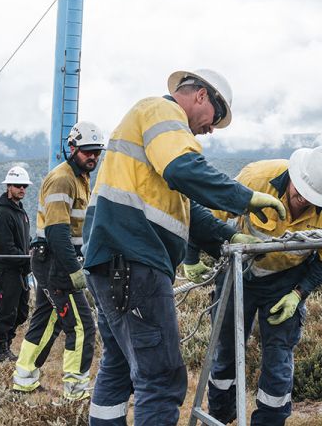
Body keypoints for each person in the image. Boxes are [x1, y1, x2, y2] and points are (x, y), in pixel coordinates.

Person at [83, 68, 287, 426]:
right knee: (161, 380)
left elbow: (183, 207)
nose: (211, 128)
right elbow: (184, 168)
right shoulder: (161, 113)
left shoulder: (146, 130)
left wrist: (226, 236)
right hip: (136, 261)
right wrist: (245, 198)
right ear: (201, 96)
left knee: (117, 369)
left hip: (110, 262)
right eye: (216, 118)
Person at [183, 145, 322, 426]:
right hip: (238, 273)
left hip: (285, 282)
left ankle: (270, 420)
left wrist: (299, 294)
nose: (303, 203)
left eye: (313, 200)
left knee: (279, 357)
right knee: (226, 349)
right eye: (300, 194)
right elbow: (207, 217)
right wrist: (190, 256)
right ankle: (221, 413)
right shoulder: (255, 178)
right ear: (294, 175)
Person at [12, 122, 103, 400]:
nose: (94, 157)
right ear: (72, 148)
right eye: (88, 151)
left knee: (46, 320)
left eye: (97, 152)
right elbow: (57, 231)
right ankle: (75, 390)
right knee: (81, 326)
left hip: (52, 260)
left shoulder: (80, 177)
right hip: (56, 262)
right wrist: (75, 270)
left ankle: (24, 379)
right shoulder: (63, 178)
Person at [0, 166, 34, 363]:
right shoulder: (3, 213)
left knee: (22, 311)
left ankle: (7, 342)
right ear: (9, 186)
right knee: (6, 309)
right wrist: (26, 258)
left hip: (21, 269)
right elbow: (4, 247)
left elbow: (24, 239)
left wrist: (30, 252)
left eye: (24, 186)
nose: (22, 189)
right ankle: (0, 349)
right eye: (18, 186)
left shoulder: (20, 211)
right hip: (8, 270)